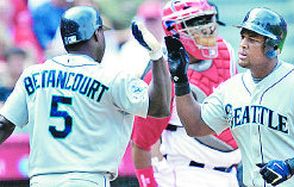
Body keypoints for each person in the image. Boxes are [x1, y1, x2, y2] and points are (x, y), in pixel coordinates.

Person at [168, 7, 294, 187]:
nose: (243, 44)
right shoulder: (231, 89)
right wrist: (181, 80)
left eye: (253, 39)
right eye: (243, 36)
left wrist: (292, 166)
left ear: (273, 48)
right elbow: (195, 126)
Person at [0, 6, 173, 186]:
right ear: (97, 34)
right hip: (88, 179)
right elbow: (159, 107)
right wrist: (157, 55)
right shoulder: (111, 78)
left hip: (42, 181)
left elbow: (4, 124)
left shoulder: (33, 74)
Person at [131, 0, 241, 187]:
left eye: (208, 19)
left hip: (231, 173)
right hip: (187, 174)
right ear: (174, 30)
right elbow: (141, 143)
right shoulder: (162, 73)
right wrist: (148, 183)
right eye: (197, 22)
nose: (207, 28)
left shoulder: (226, 52)